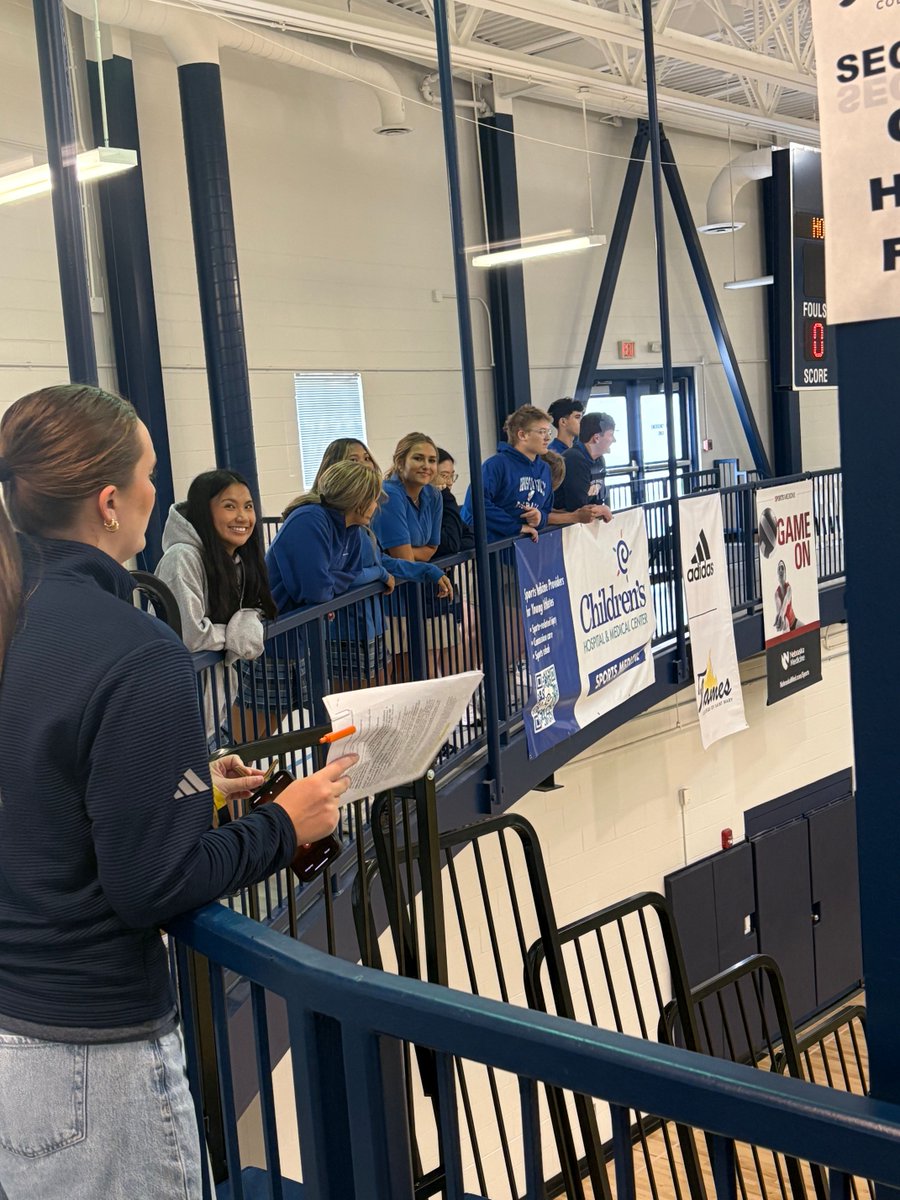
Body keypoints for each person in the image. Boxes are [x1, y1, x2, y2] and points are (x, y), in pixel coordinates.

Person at [0, 384, 356, 1200]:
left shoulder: (19, 615)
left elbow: (49, 795)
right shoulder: (137, 649)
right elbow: (149, 885)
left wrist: (199, 795)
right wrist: (281, 823)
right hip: (97, 1061)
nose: (160, 492)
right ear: (110, 501)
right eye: (151, 472)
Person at [156, 469, 276, 740]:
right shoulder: (182, 558)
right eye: (229, 506)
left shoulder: (233, 559)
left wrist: (247, 620)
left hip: (211, 706)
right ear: (203, 512)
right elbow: (190, 635)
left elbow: (249, 610)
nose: (243, 517)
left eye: (248, 506)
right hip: (177, 708)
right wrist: (237, 632)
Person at [461, 405, 554, 543]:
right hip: (495, 547)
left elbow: (546, 508)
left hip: (526, 549)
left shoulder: (545, 469)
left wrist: (540, 518)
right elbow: (475, 503)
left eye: (549, 432)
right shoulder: (496, 465)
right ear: (522, 435)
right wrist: (515, 527)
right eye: (542, 432)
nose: (547, 438)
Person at [554, 411, 615, 523]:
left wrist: (602, 508)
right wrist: (602, 509)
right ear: (596, 438)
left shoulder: (599, 460)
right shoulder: (574, 459)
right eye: (611, 435)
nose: (613, 440)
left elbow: (599, 497)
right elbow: (577, 508)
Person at [435, 448, 474, 558]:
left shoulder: (445, 504)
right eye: (444, 476)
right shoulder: (444, 501)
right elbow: (451, 544)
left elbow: (472, 536)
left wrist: (455, 545)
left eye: (452, 476)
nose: (450, 482)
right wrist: (447, 496)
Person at [774, 559, 800, 632]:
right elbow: (779, 609)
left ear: (785, 572)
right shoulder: (776, 594)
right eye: (779, 568)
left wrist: (781, 614)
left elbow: (786, 601)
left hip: (794, 621)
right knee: (785, 623)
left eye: (782, 568)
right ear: (777, 572)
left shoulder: (788, 588)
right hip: (785, 623)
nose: (781, 570)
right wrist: (781, 616)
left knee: (809, 631)